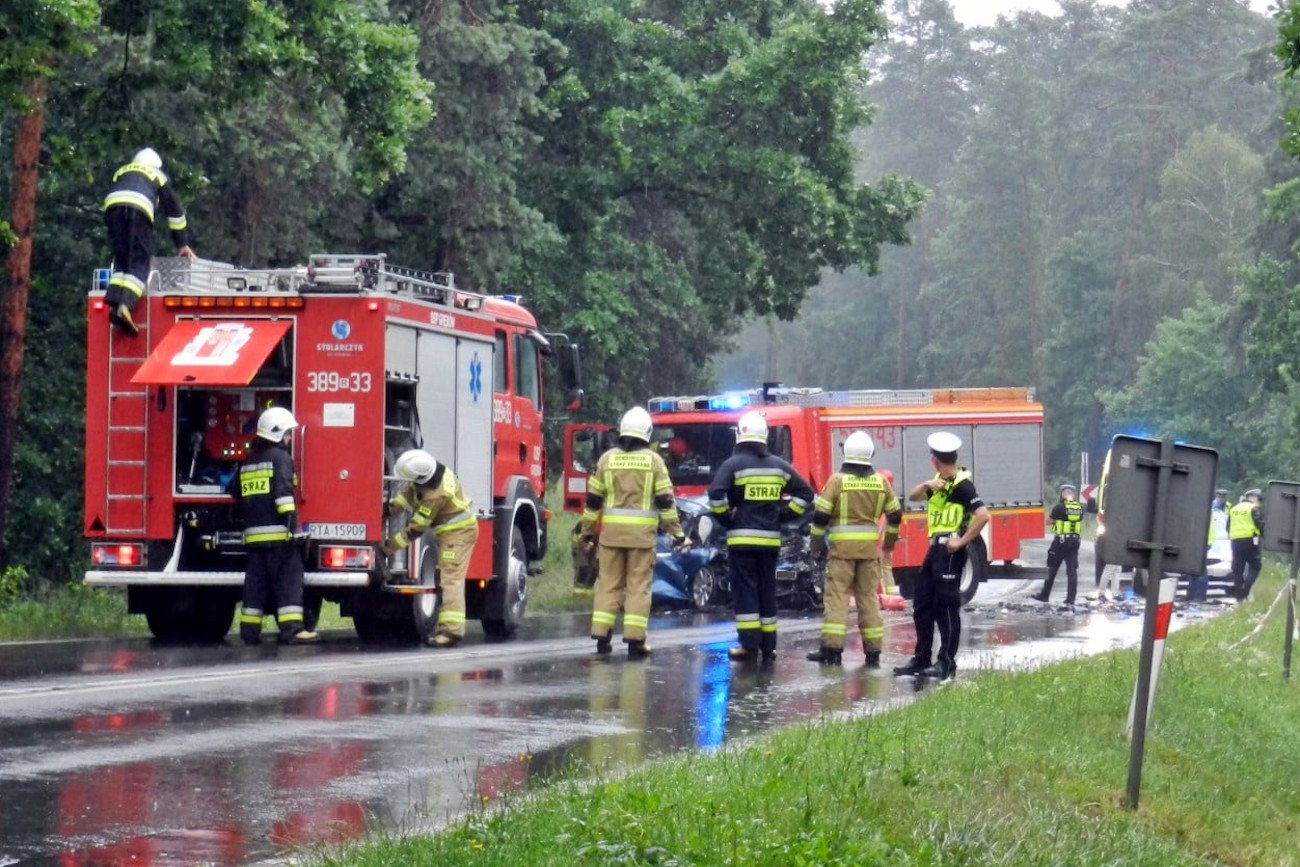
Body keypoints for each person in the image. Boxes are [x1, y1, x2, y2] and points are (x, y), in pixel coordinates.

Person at [708, 410, 815, 662]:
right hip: (769, 540)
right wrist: (784, 515)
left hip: (742, 541)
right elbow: (806, 495)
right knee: (767, 591)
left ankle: (748, 646)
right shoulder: (779, 466)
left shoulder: (732, 465)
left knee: (746, 590)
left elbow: (715, 496)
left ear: (739, 435)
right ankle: (769, 646)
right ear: (765, 436)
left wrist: (726, 518)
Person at [580, 407, 685, 657]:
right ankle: (635, 641)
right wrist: (677, 533)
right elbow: (666, 503)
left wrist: (587, 533)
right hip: (641, 539)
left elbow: (593, 501)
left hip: (611, 537)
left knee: (608, 584)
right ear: (647, 432)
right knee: (638, 587)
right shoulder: (654, 462)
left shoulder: (607, 459)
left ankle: (602, 637)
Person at [893, 431, 990, 680]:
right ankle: (921, 658)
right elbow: (913, 496)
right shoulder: (938, 484)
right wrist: (927, 484)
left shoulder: (963, 486)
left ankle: (946, 662)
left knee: (946, 607)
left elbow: (983, 515)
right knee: (922, 604)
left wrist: (961, 542)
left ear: (935, 459)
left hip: (949, 551)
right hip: (934, 550)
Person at [806, 431, 902, 667]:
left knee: (837, 598)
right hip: (869, 554)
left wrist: (815, 547)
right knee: (868, 599)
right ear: (870, 454)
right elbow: (895, 515)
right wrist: (888, 543)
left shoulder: (837, 481)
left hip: (841, 554)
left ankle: (832, 650)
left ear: (846, 453)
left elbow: (820, 517)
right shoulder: (880, 482)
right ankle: (873, 653)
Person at [231, 407, 318, 645]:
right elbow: (283, 493)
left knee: (255, 587)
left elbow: (235, 491)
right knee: (288, 581)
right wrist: (292, 524)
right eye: (288, 433)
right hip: (279, 536)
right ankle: (291, 630)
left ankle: (249, 632)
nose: (289, 438)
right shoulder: (281, 458)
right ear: (278, 434)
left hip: (254, 538)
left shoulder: (249, 462)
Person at [383, 449, 479, 647]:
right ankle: (445, 626)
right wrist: (389, 509)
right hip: (452, 531)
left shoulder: (435, 495)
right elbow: (409, 494)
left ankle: (451, 632)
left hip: (458, 533)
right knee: (444, 576)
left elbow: (416, 529)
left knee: (450, 578)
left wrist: (388, 548)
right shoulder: (431, 473)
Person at [102, 147, 194, 336]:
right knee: (139, 262)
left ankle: (114, 302)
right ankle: (125, 306)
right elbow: (175, 214)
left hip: (112, 208)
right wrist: (182, 243)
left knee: (122, 258)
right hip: (139, 208)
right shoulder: (158, 175)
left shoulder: (123, 170)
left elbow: (118, 191)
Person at [1033, 483, 1083, 605]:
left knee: (1052, 568)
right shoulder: (1079, 508)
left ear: (1062, 494)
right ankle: (1071, 599)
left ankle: (1044, 595)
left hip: (1060, 542)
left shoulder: (1059, 507)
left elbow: (1049, 521)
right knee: (1072, 571)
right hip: (1075, 542)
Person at [1228, 488, 1263, 599]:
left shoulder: (1233, 509)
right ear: (1252, 497)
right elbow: (1260, 525)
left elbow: (1227, 527)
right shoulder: (1253, 508)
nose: (1259, 502)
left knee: (1238, 568)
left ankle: (1239, 596)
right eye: (1259, 499)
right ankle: (1245, 588)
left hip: (1235, 542)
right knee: (1255, 566)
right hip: (1250, 541)